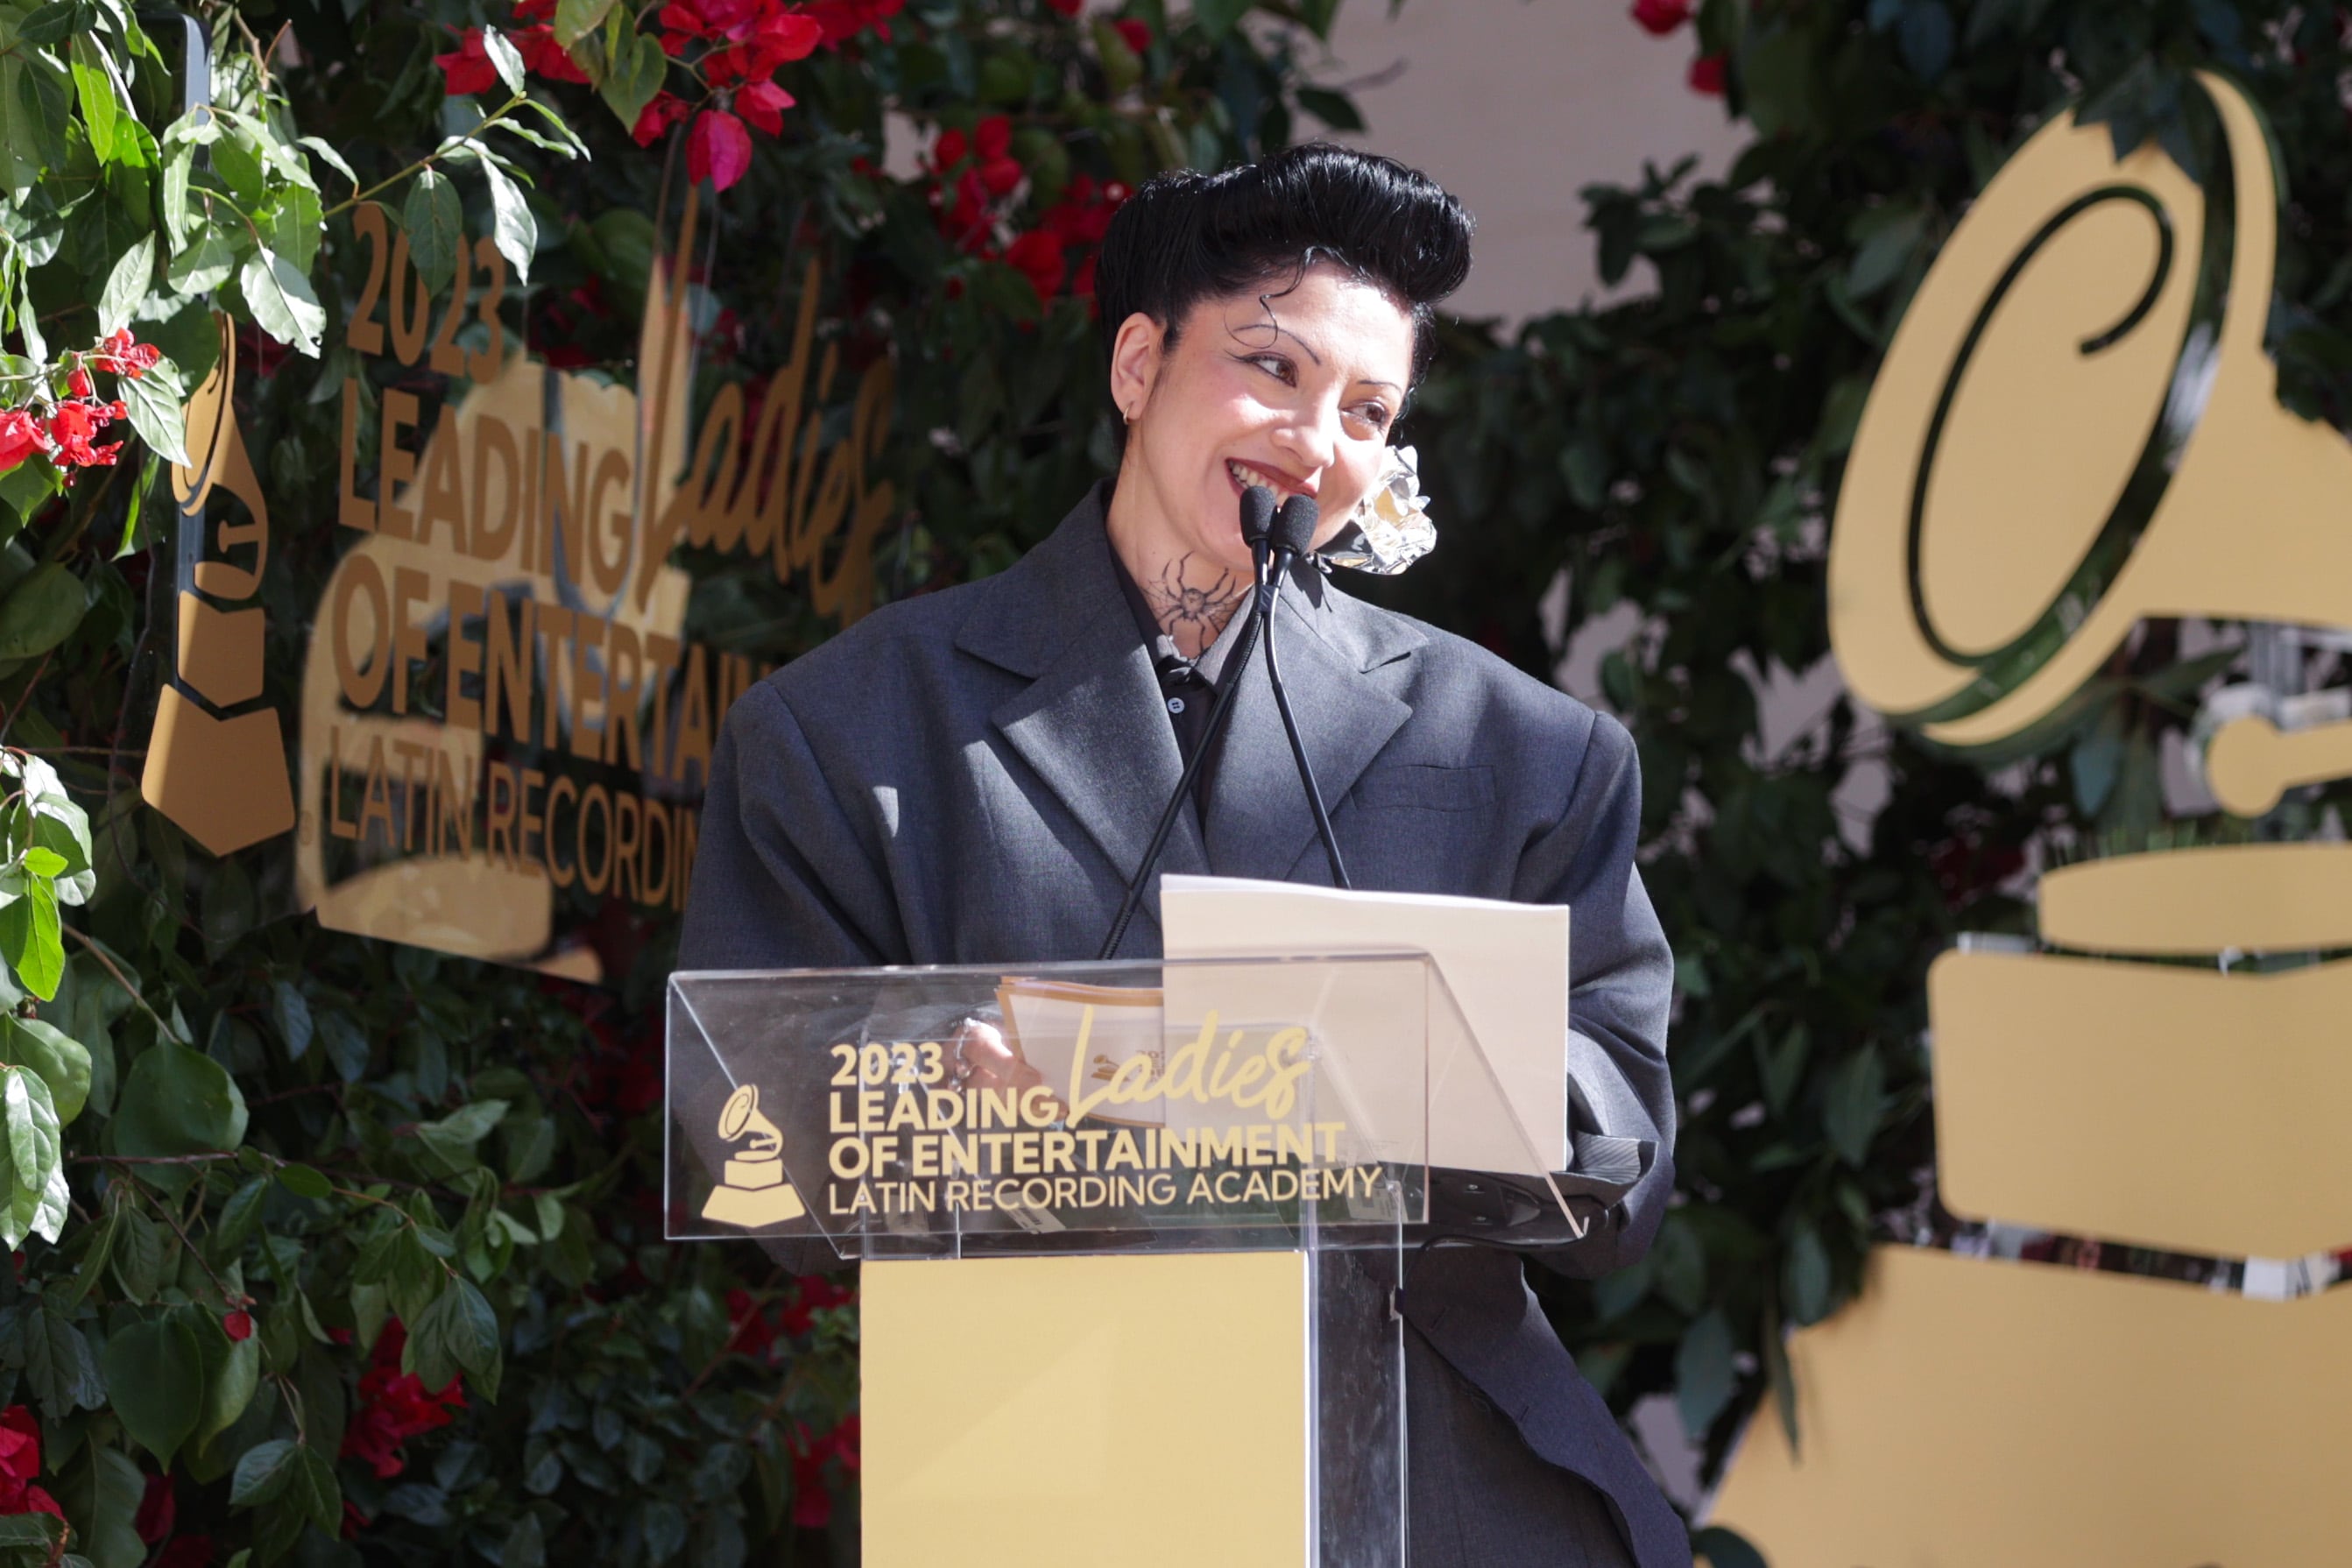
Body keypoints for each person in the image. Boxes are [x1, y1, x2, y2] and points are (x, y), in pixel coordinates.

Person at [681, 144, 1685, 1568]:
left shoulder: (1532, 751)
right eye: (1270, 370)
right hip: (1043, 1473)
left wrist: (1449, 1059)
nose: (1313, 438)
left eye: (1367, 410)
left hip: (1441, 1491)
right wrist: (987, 1097)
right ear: (1139, 363)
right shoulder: (846, 725)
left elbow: (1622, 1165)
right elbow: (752, 1135)